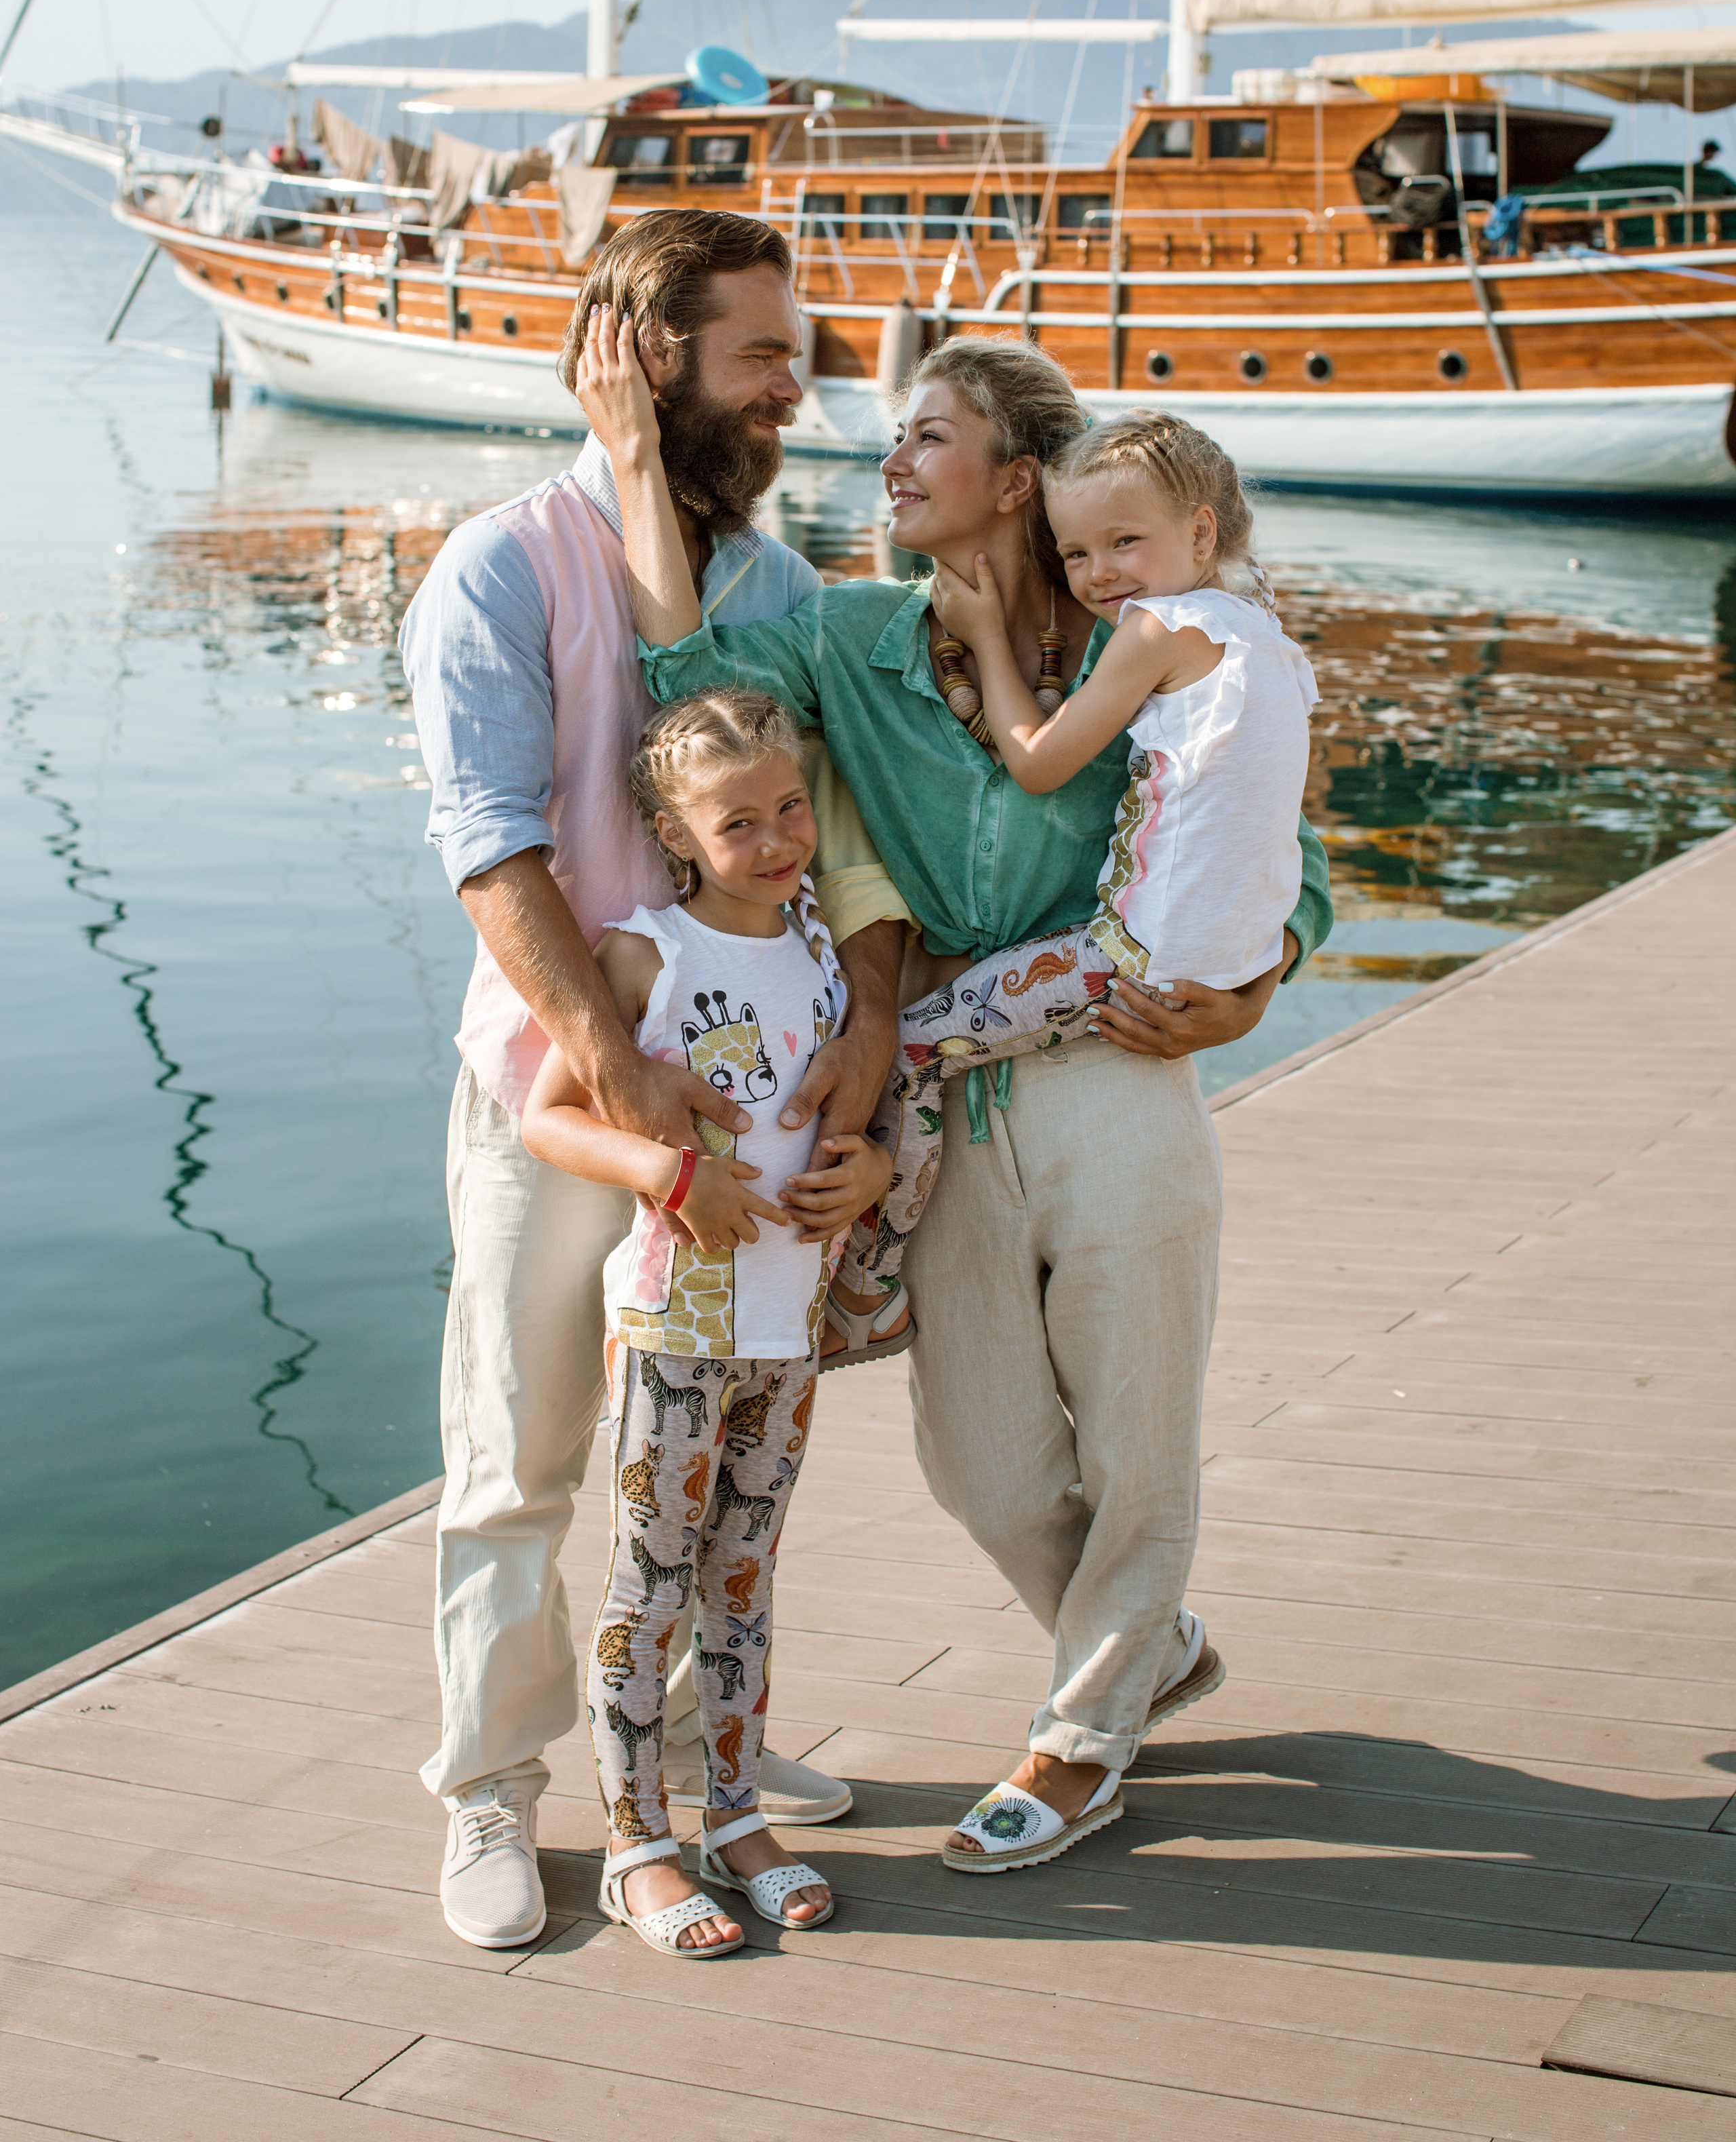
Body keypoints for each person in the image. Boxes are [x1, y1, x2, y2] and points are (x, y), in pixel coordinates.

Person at [574, 318, 1333, 1880]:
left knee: (1135, 1434)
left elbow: (1276, 846)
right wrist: (639, 466)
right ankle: (1139, 1646)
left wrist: (1258, 982)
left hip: (1118, 1068)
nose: (893, 460)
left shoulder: (1150, 624)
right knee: (979, 1462)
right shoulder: (850, 637)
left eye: (929, 436)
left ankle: (1077, 1744)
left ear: (1016, 480)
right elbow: (684, 677)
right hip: (941, 1080)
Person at [397, 210, 907, 1953]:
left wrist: (864, 1044)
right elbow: (494, 846)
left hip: (755, 1112)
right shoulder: (498, 565)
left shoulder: (775, 592)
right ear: (642, 352)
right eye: (761, 353)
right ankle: (491, 1787)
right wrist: (617, 1070)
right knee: (522, 1452)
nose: (795, 384)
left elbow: (836, 841)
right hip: (559, 1104)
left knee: (706, 1450)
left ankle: (690, 1754)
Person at [520, 689, 892, 1954]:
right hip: (679, 1324)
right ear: (678, 835)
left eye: (791, 809)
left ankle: (734, 1815)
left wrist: (876, 1171)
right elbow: (551, 1118)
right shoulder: (649, 953)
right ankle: (638, 1842)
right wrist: (670, 1176)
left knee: (744, 1574)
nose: (780, 838)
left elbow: (844, 1115)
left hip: (787, 1331)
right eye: (739, 822)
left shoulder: (824, 954)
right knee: (650, 1577)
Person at [835, 410, 1319, 1339]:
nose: (1100, 575)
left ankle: (872, 1281)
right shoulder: (1267, 636)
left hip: (1127, 959)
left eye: (1124, 542)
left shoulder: (1156, 630)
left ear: (1202, 531)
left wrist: (980, 633)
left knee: (911, 1047)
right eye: (1076, 553)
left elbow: (1039, 761)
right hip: (1224, 960)